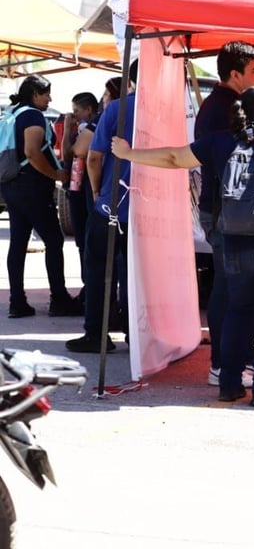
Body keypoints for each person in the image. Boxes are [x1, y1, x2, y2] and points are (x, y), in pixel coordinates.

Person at [112, 87, 254, 407]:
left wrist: (128, 154)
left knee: (238, 312)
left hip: (234, 244)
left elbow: (173, 157)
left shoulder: (219, 141)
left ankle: (229, 383)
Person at [195, 41, 254, 387]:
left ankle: (228, 361)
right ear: (235, 74)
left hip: (229, 212)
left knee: (233, 286)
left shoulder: (224, 106)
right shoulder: (222, 109)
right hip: (226, 213)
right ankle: (224, 363)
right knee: (230, 288)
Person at [65, 64, 140, 353]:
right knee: (140, 275)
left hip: (112, 203)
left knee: (98, 269)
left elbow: (93, 157)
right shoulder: (167, 111)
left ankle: (96, 333)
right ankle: (138, 333)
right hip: (150, 208)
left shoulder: (117, 109)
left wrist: (97, 192)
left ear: (131, 78)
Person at [0, 74, 79, 319]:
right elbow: (32, 152)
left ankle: (17, 302)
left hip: (11, 185)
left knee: (18, 243)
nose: (50, 99)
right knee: (54, 241)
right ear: (35, 94)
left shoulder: (12, 113)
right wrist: (56, 174)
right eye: (46, 94)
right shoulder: (33, 115)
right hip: (32, 187)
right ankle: (59, 299)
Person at [63, 92, 101, 271]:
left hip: (86, 189)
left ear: (89, 110)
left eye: (77, 111)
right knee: (82, 239)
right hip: (77, 189)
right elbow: (67, 155)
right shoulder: (80, 129)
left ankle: (90, 285)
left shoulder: (92, 128)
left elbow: (75, 152)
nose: (74, 115)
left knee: (88, 239)